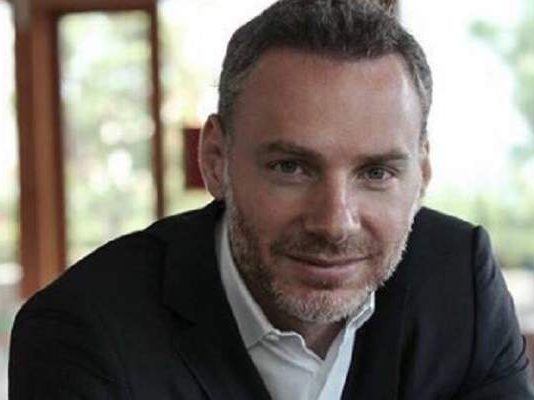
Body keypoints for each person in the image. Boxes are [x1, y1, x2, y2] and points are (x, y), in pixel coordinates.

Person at [9, 0, 534, 399]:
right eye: (291, 167)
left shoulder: (459, 279)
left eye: (376, 172)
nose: (335, 223)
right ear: (216, 160)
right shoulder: (81, 332)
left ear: (422, 173)